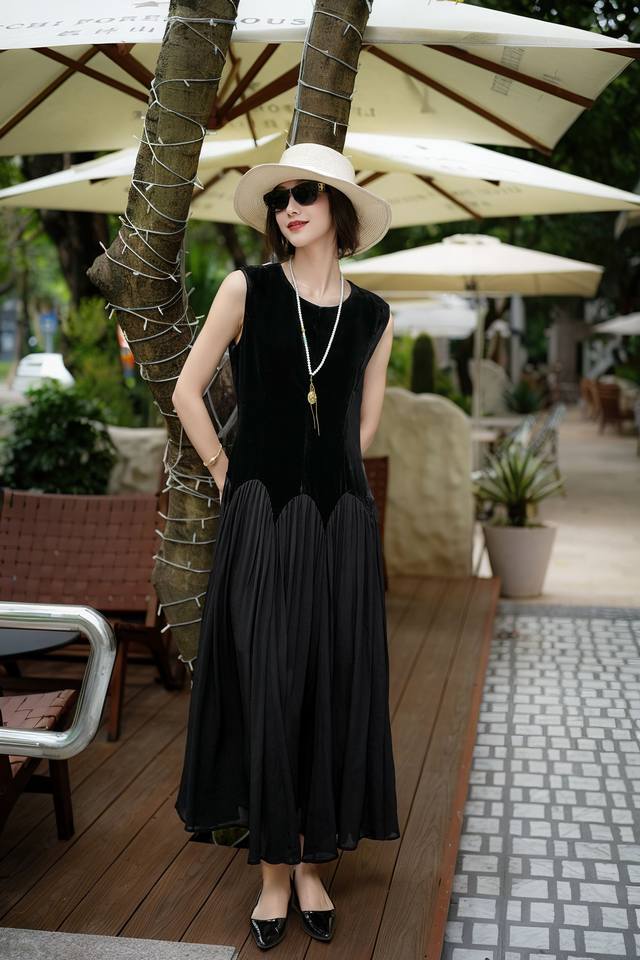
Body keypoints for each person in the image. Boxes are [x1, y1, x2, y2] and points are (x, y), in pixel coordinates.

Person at [172, 141, 400, 951]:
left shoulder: (374, 316)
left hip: (340, 530)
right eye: (279, 198)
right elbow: (186, 390)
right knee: (268, 680)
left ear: (339, 207)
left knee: (329, 686)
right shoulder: (248, 289)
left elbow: (363, 424)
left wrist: (333, 477)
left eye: (305, 193)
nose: (289, 208)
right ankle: (274, 872)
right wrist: (225, 470)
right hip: (262, 522)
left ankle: (311, 864)